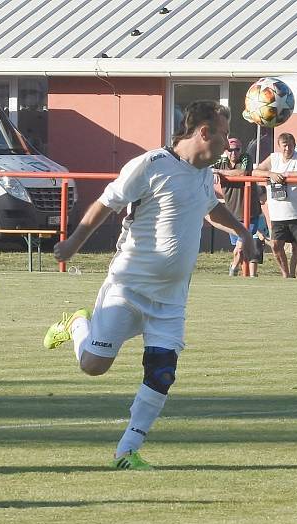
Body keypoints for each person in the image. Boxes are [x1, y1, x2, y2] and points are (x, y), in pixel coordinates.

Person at [42, 101, 255, 470]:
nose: (227, 142)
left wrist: (241, 231)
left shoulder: (204, 172)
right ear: (204, 132)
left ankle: (127, 450)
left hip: (171, 300)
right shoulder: (151, 165)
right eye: (223, 133)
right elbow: (106, 203)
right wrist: (75, 242)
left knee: (162, 372)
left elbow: (210, 207)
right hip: (128, 288)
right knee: (93, 366)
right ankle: (78, 323)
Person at [252, 133, 297, 278]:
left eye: (290, 145)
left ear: (294, 145)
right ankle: (285, 274)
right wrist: (271, 174)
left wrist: (285, 175)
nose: (287, 149)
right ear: (279, 146)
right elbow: (255, 171)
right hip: (278, 214)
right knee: (276, 245)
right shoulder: (274, 158)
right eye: (284, 145)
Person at [212, 137, 261, 276]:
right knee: (240, 248)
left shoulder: (246, 158)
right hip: (231, 214)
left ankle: (232, 270)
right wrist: (214, 170)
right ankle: (247, 274)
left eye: (237, 150)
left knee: (239, 248)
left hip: (249, 213)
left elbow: (242, 172)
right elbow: (206, 169)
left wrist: (218, 172)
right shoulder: (220, 161)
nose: (233, 153)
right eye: (230, 150)